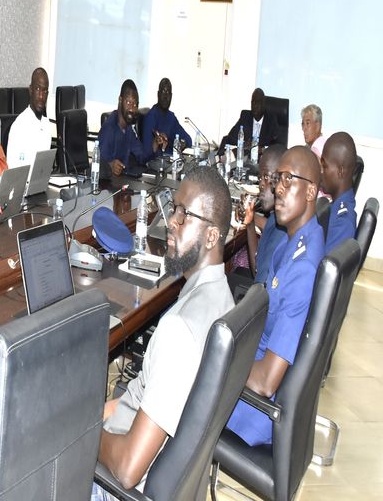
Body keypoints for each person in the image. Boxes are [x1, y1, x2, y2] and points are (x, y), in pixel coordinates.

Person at [93, 166, 234, 495]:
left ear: (212, 236)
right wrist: (102, 413)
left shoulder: (178, 330)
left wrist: (83, 433)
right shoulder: (223, 298)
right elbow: (145, 396)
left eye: (185, 215)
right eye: (174, 209)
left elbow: (127, 469)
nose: (172, 221)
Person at [226, 146, 324, 446]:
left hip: (255, 410)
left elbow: (266, 382)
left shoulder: (302, 269)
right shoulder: (297, 240)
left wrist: (220, 360)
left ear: (311, 192)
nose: (278, 188)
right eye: (278, 178)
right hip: (253, 366)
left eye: (288, 180)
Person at [237, 145, 288, 283]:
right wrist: (250, 222)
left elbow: (257, 276)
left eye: (267, 177)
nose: (261, 184)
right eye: (260, 178)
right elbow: (257, 268)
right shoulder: (276, 216)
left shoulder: (281, 231)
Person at [98, 79, 161, 177]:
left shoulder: (128, 129)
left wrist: (155, 144)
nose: (132, 108)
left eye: (135, 104)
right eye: (128, 102)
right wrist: (110, 165)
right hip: (109, 184)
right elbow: (98, 163)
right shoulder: (109, 128)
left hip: (124, 180)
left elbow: (141, 156)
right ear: (120, 100)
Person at [320, 132, 358, 255]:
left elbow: (325, 266)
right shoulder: (336, 207)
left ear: (340, 171)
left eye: (324, 166)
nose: (321, 172)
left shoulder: (342, 224)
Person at [6, 67, 52, 167]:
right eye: (37, 89)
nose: (41, 96)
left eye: (44, 91)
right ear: (31, 90)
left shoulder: (47, 125)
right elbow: (12, 170)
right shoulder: (19, 126)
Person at [219, 88, 281, 154]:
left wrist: (262, 149)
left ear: (263, 104)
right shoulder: (245, 116)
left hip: (262, 158)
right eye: (253, 102)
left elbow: (278, 145)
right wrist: (243, 143)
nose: (254, 105)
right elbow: (230, 137)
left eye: (257, 102)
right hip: (245, 157)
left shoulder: (271, 120)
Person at [142, 78, 191, 159]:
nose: (165, 97)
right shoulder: (151, 117)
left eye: (168, 93)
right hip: (158, 162)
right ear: (158, 94)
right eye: (163, 92)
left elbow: (188, 139)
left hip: (171, 160)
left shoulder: (171, 117)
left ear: (171, 96)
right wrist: (156, 142)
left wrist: (183, 143)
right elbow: (146, 153)